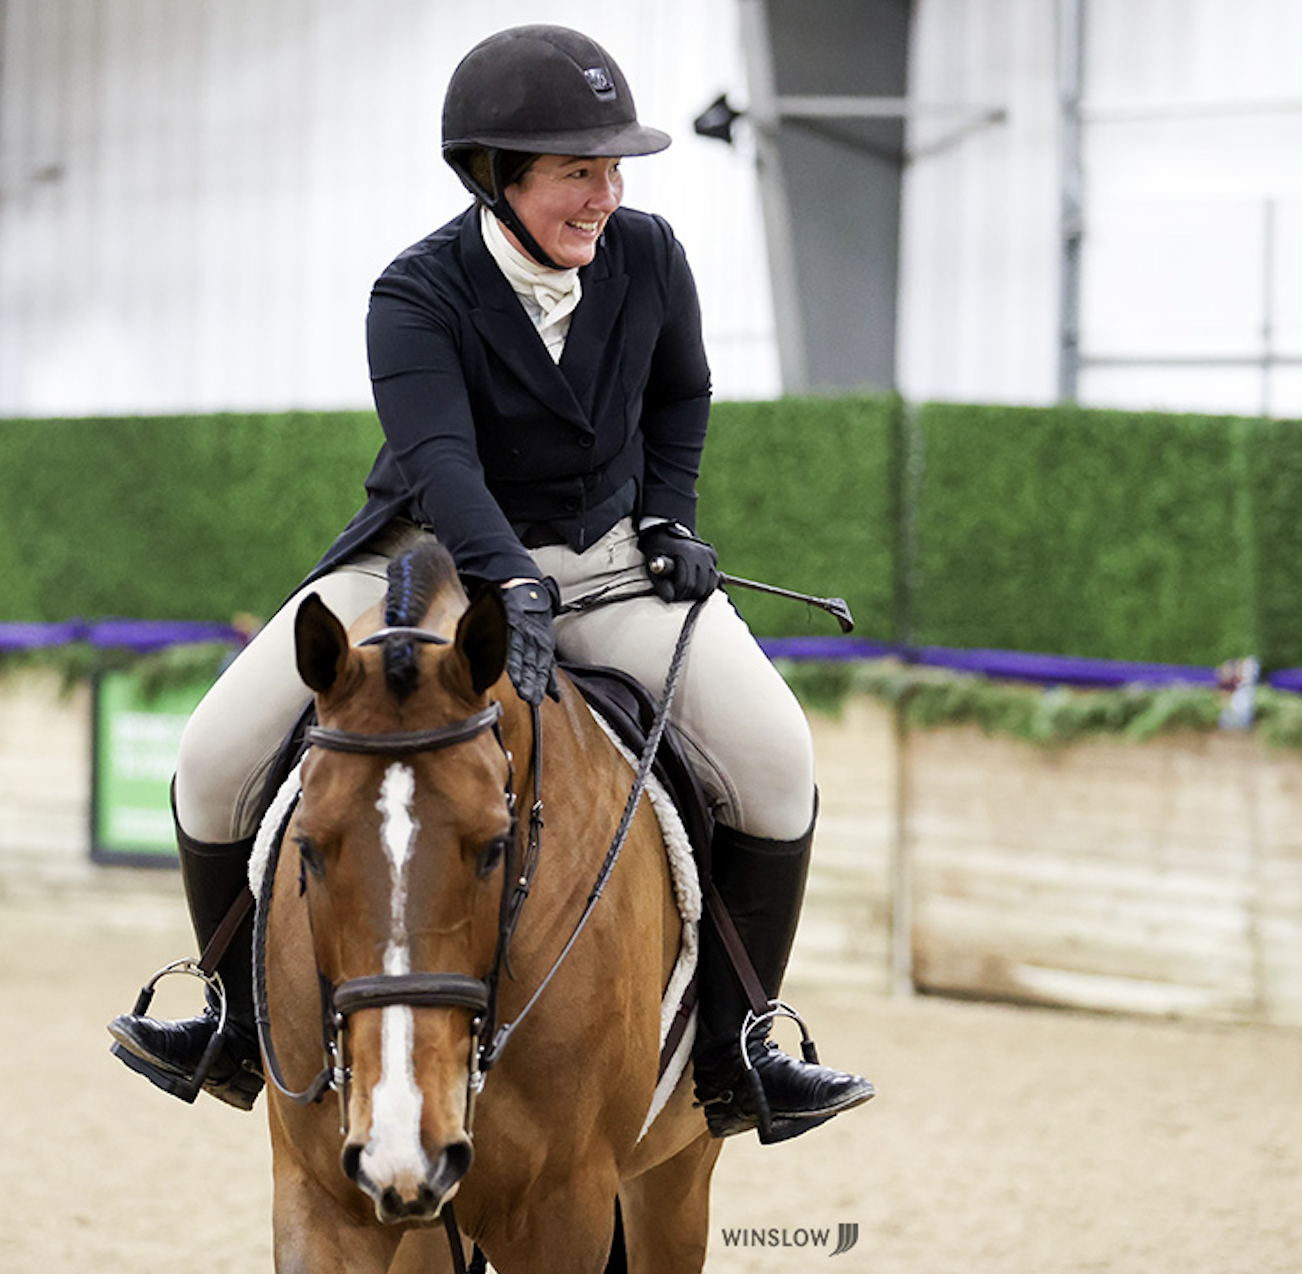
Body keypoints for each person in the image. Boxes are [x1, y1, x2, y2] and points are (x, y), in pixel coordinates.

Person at [108, 23, 873, 1143]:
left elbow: (682, 394)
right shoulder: (416, 292)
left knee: (775, 756)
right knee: (212, 753)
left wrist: (669, 516)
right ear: (494, 175)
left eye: (612, 169)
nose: (604, 194)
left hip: (611, 565)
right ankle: (225, 1020)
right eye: (577, 171)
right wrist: (506, 575)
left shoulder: (651, 254)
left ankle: (736, 1045)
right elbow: (441, 463)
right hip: (432, 561)